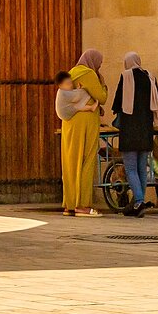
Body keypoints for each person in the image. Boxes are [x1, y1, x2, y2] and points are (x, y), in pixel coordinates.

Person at [62, 49, 107, 216]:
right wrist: (102, 83)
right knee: (86, 161)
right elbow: (101, 97)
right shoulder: (88, 74)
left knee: (70, 163)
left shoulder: (72, 72)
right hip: (85, 122)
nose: (99, 67)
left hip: (69, 123)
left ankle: (70, 204)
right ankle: (83, 205)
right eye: (99, 64)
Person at [112, 52, 157, 216]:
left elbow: (117, 103)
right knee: (141, 169)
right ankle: (139, 203)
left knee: (130, 168)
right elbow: (156, 100)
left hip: (130, 130)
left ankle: (139, 201)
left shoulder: (126, 76)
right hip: (146, 129)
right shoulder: (150, 77)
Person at [54, 71, 94, 215]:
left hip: (67, 128)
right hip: (74, 127)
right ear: (61, 85)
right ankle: (80, 204)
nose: (71, 85)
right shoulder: (65, 94)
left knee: (69, 166)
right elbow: (81, 95)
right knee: (79, 163)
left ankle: (69, 204)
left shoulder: (63, 94)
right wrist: (91, 89)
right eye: (68, 83)